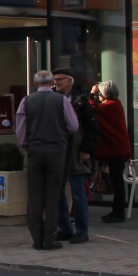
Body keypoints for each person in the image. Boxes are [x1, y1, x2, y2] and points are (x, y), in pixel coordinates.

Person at [14, 69, 77, 250]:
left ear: (35, 84)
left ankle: (37, 238)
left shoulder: (26, 101)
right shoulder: (62, 100)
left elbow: (20, 129)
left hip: (35, 149)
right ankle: (50, 238)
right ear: (51, 83)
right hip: (56, 150)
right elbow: (73, 125)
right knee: (53, 196)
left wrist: (26, 144)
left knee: (34, 195)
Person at [53, 71, 93, 245]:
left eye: (60, 79)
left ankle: (82, 231)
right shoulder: (53, 98)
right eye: (54, 80)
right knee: (58, 191)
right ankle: (65, 228)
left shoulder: (81, 100)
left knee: (78, 192)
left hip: (76, 151)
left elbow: (92, 128)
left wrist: (85, 150)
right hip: (59, 150)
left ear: (70, 81)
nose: (56, 83)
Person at [95, 80, 133, 223]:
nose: (98, 96)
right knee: (117, 181)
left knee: (117, 182)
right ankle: (116, 211)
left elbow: (93, 108)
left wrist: (92, 94)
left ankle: (118, 212)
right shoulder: (116, 105)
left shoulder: (110, 106)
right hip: (118, 150)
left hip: (116, 151)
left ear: (105, 94)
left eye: (99, 93)